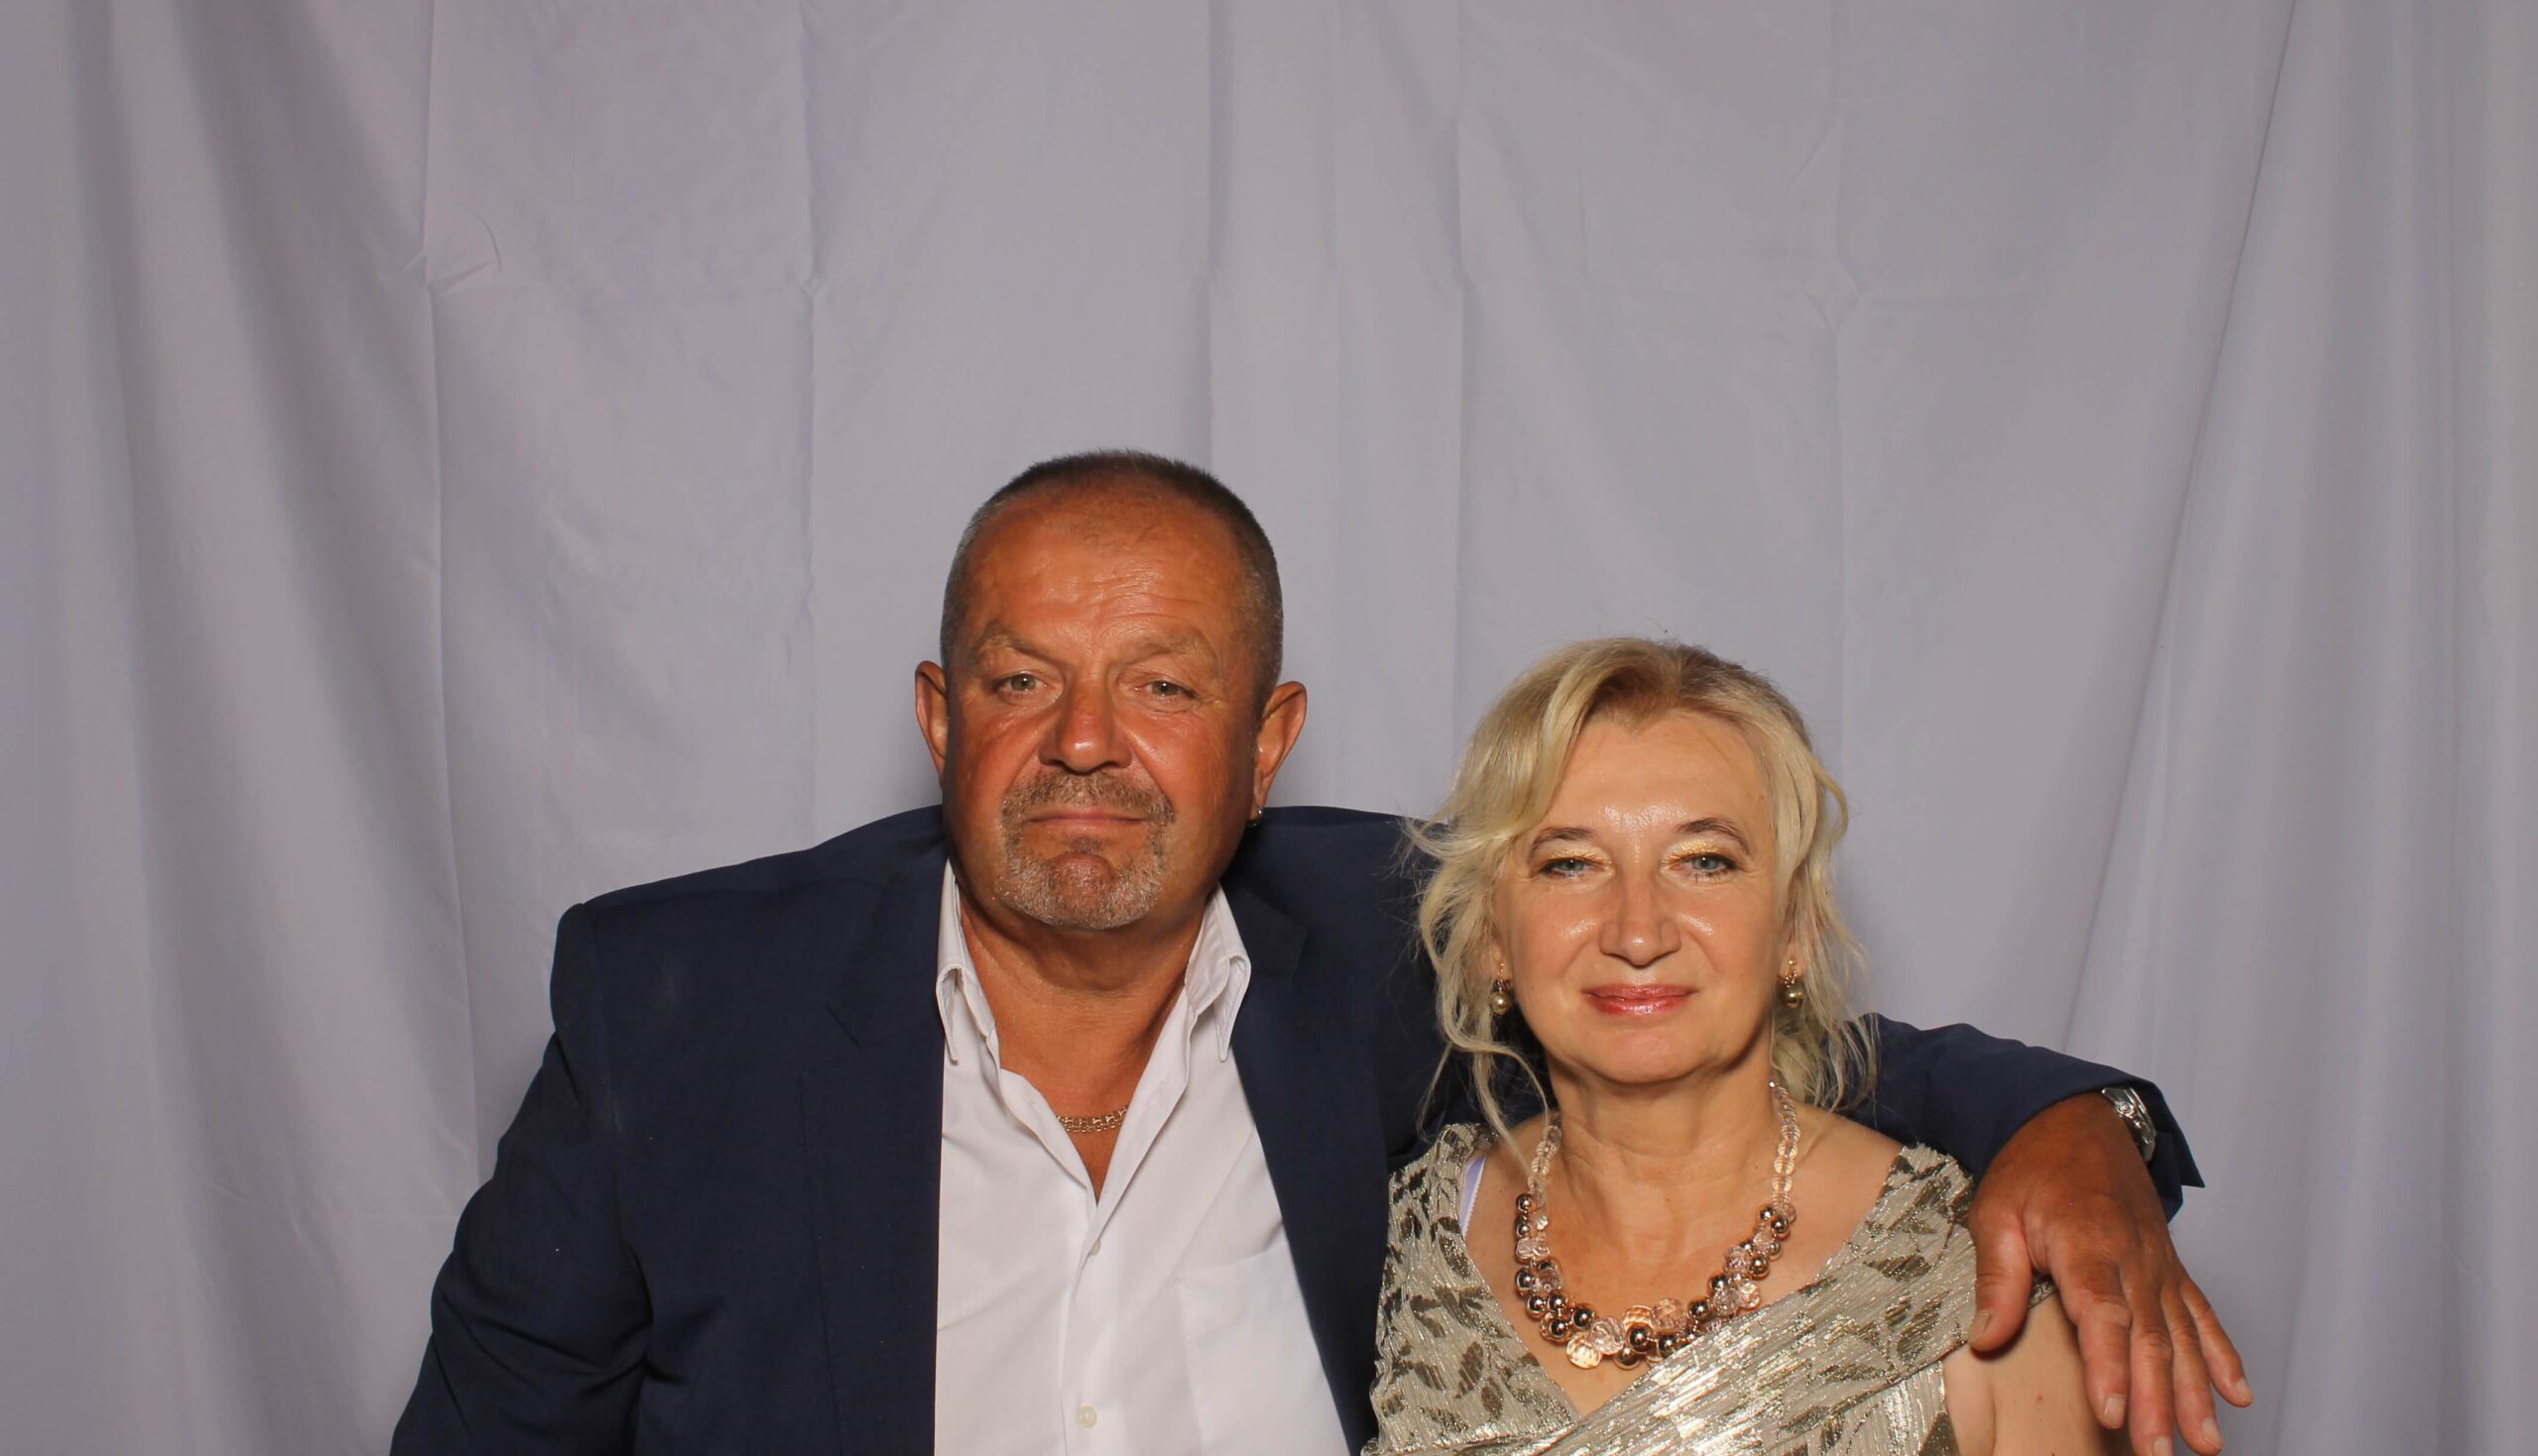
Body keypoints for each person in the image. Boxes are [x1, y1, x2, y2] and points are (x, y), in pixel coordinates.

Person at [394, 450, 2246, 1455]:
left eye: (1165, 684)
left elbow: (1717, 1013)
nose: (1089, 742)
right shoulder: (679, 1012)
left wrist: (2075, 1121)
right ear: (940, 716)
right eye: (1025, 679)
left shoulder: (1385, 942)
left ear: (1268, 739)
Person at [1368, 638, 2191, 1454]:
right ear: (1493, 940)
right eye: (1571, 863)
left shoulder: (1978, 1280)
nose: (1638, 931)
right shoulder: (1402, 1242)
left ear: (1795, 928)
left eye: (1704, 860)